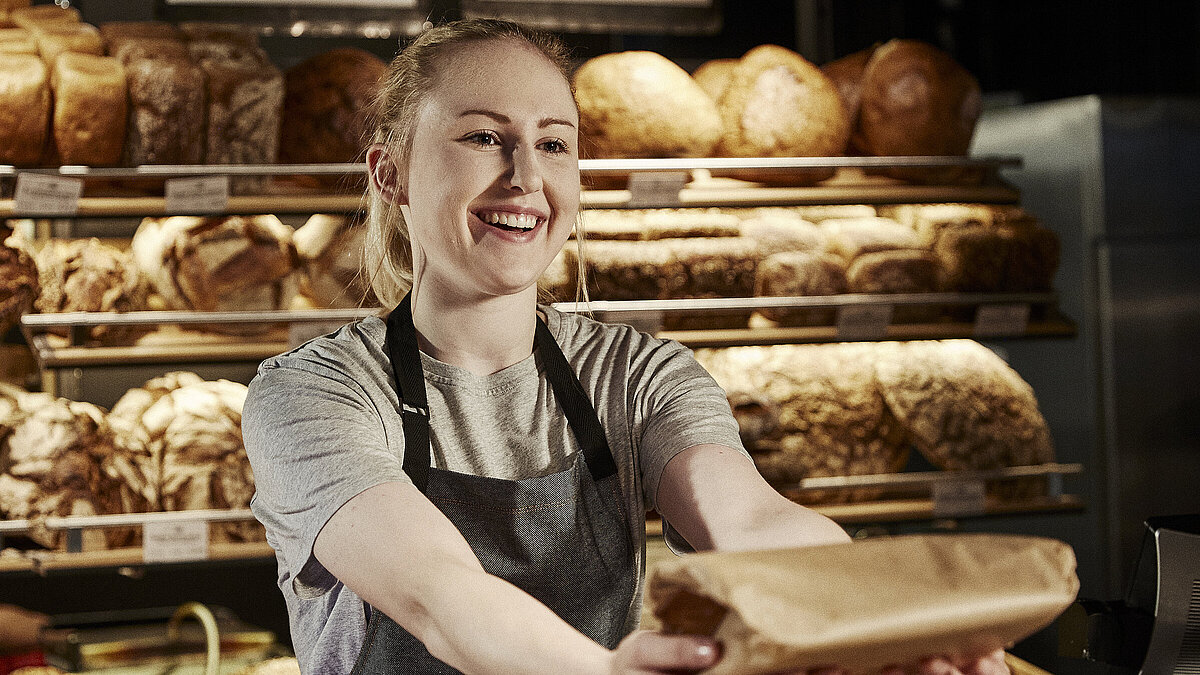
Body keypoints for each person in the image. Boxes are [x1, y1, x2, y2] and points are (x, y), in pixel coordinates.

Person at [243, 18, 1010, 675]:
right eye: (483, 137)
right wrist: (607, 670)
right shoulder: (312, 394)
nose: (525, 176)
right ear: (391, 174)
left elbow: (751, 521)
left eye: (553, 143)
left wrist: (882, 616)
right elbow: (438, 592)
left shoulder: (636, 373)